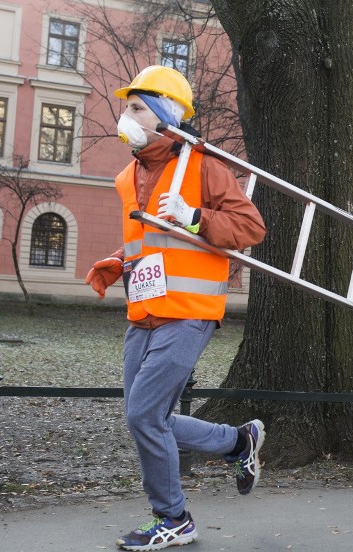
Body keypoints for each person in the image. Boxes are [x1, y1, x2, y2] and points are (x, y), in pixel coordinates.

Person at [84, 65, 268, 550]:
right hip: (144, 310)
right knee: (147, 416)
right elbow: (147, 243)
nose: (127, 116)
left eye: (138, 108)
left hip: (190, 310)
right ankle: (238, 442)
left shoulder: (203, 165)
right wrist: (116, 261)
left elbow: (251, 228)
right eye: (127, 107)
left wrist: (196, 217)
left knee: (144, 416)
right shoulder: (127, 176)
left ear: (165, 116)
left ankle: (175, 520)